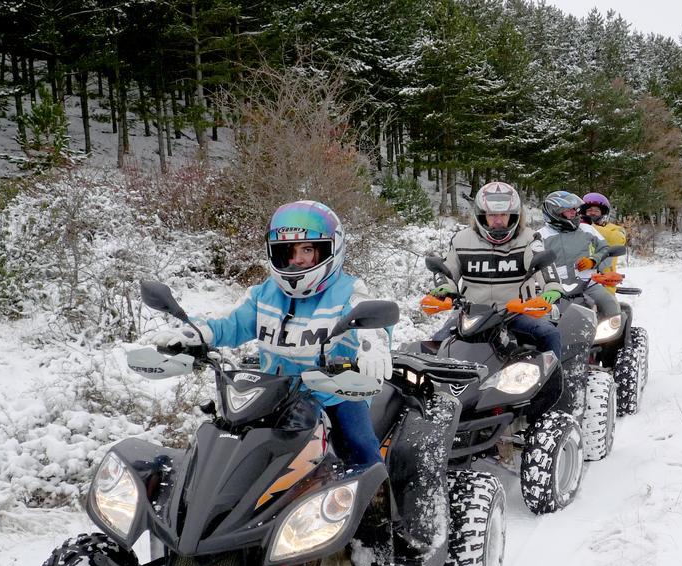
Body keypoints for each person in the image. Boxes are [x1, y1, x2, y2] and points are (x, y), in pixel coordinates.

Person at [151, 200, 391, 466]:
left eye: (308, 249)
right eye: (289, 251)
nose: (298, 259)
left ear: (328, 250)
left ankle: (376, 497)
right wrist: (197, 333)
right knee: (228, 444)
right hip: (273, 393)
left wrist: (373, 339)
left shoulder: (347, 291)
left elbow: (369, 316)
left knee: (358, 444)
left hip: (332, 393)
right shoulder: (265, 294)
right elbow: (230, 323)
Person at [429, 181, 564, 356]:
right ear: (481, 215)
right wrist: (446, 287)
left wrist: (552, 287)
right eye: (492, 215)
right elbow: (448, 269)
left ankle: (555, 382)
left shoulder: (530, 238)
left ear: (515, 215)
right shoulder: (461, 240)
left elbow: (544, 265)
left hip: (517, 312)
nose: (498, 221)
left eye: (504, 214)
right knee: (438, 343)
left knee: (549, 334)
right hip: (471, 313)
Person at [537, 190, 619, 319]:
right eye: (569, 209)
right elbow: (530, 263)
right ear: (555, 211)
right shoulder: (540, 236)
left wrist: (593, 260)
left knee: (611, 305)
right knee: (542, 319)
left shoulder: (586, 229)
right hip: (556, 289)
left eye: (575, 209)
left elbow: (605, 250)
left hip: (588, 284)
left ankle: (618, 338)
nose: (574, 212)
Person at [581, 192, 629, 295]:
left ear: (603, 213)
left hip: (605, 280)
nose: (592, 213)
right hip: (579, 277)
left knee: (609, 307)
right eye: (589, 210)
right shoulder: (577, 228)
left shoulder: (614, 228)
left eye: (596, 211)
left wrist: (590, 226)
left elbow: (619, 240)